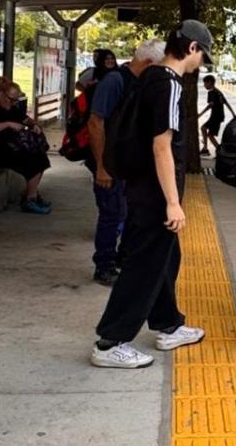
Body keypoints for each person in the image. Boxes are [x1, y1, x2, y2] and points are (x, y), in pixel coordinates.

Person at [90, 21, 212, 369]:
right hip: (154, 194)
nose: (201, 64)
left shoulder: (149, 77)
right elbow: (162, 146)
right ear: (191, 49)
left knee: (164, 258)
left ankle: (168, 324)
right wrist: (173, 202)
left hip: (143, 187)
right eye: (202, 55)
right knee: (143, 265)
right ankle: (110, 341)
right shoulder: (170, 85)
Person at [86, 39, 165, 286]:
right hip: (110, 164)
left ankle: (122, 259)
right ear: (150, 62)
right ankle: (104, 265)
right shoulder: (115, 82)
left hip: (130, 164)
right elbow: (95, 123)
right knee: (112, 214)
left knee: (129, 214)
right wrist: (101, 166)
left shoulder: (141, 83)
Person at [0, 79, 52, 214]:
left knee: (39, 156)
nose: (13, 103)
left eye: (15, 101)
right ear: (1, 94)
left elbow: (24, 118)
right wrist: (7, 124)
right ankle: (30, 199)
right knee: (34, 161)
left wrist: (33, 125)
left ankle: (31, 195)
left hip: (6, 148)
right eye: (11, 99)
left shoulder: (10, 107)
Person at [198, 75, 236, 157]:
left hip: (215, 117)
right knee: (204, 129)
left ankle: (220, 152)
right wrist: (233, 114)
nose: (204, 85)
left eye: (205, 83)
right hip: (218, 116)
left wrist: (200, 114)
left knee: (210, 135)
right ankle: (205, 148)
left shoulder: (211, 93)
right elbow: (226, 103)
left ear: (210, 82)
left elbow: (210, 105)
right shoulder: (218, 92)